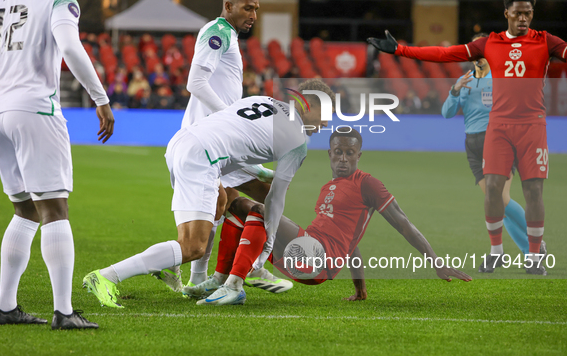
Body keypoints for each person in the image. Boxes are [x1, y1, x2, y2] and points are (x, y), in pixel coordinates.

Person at [368, 0, 567, 275]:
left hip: (532, 125)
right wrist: (402, 50)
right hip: (498, 127)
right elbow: (445, 53)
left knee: (533, 190)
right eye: (518, 13)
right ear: (507, 14)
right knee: (492, 189)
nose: (523, 18)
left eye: (528, 13)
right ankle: (496, 252)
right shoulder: (489, 43)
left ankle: (535, 256)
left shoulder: (545, 40)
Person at [82, 79, 333, 308]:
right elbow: (275, 199)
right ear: (309, 104)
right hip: (204, 157)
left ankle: (189, 273)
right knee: (193, 247)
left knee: (221, 201)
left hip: (182, 143)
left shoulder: (262, 100)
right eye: (326, 113)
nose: (327, 122)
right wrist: (266, 249)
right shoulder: (297, 141)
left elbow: (234, 140)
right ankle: (106, 276)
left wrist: (263, 173)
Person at [186, 129, 472, 305]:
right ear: (330, 154)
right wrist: (360, 288)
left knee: (261, 211)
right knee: (236, 203)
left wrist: (436, 262)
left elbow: (404, 225)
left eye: (350, 153)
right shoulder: (331, 187)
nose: (344, 158)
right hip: (307, 253)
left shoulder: (368, 183)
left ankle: (233, 285)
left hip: (318, 257)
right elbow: (351, 242)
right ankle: (222, 279)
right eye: (338, 153)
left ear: (360, 154)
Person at [0, 0, 114, 329]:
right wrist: (100, 99)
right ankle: (64, 312)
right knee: (54, 208)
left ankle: (6, 307)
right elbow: (70, 47)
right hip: (34, 110)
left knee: (24, 210)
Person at [171, 0, 281, 291]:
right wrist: (229, 117)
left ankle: (203, 277)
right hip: (212, 139)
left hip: (219, 137)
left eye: (256, 9)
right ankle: (250, 266)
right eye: (248, 8)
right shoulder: (216, 32)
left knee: (227, 202)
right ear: (228, 6)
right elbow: (196, 81)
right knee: (251, 197)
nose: (253, 15)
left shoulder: (227, 35)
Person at [441, 33, 545, 272]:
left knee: (501, 199)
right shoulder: (464, 80)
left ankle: (535, 248)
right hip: (472, 144)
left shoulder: (500, 77)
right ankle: (531, 249)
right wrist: (455, 91)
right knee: (496, 203)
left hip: (497, 140)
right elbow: (446, 113)